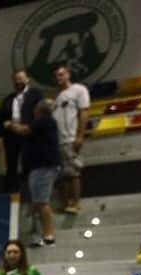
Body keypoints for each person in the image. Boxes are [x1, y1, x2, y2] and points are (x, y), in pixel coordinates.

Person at [7, 99, 60, 246]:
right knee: (37, 203)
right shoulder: (44, 123)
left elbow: (24, 130)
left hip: (43, 166)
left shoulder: (43, 120)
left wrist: (10, 125)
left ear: (39, 110)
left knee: (42, 201)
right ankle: (39, 235)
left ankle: (49, 235)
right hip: (37, 167)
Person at [0, 69, 43, 194]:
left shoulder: (36, 94)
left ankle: (30, 191)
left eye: (21, 78)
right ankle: (12, 192)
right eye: (16, 79)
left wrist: (31, 128)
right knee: (11, 165)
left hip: (29, 134)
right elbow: (1, 119)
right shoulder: (8, 99)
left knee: (29, 163)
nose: (18, 81)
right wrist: (0, 137)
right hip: (11, 136)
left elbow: (41, 114)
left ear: (27, 79)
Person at [52, 64, 90, 214]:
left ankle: (76, 203)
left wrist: (80, 135)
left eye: (61, 74)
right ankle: (65, 203)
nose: (58, 78)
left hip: (71, 138)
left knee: (73, 172)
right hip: (58, 141)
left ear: (68, 74)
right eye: (56, 76)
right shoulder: (57, 97)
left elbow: (84, 112)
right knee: (62, 176)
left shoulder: (79, 90)